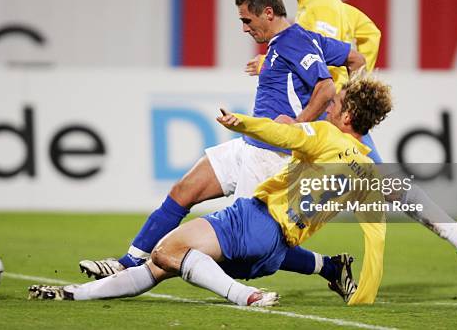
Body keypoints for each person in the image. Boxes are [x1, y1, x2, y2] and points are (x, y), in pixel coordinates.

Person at [78, 0, 367, 292]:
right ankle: (127, 262)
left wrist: (301, 127)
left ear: (268, 13)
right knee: (184, 189)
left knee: (245, 245)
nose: (244, 28)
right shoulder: (301, 40)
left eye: (247, 20)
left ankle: (328, 266)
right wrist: (348, 104)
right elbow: (356, 60)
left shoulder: (293, 41)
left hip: (272, 156)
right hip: (249, 146)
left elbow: (325, 88)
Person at [28, 74, 393, 306]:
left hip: (256, 219)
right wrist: (364, 295)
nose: (329, 108)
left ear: (347, 118)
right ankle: (73, 294)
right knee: (162, 263)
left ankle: (244, 297)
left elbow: (285, 135)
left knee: (166, 249)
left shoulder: (327, 134)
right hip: (274, 253)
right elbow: (376, 240)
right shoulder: (369, 173)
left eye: (336, 105)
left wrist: (244, 123)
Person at [251, 0, 457, 285]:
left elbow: (322, 63)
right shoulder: (333, 6)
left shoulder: (321, 9)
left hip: (332, 117)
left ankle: (250, 250)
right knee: (381, 183)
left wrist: (343, 95)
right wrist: (355, 87)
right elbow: (370, 34)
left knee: (372, 183)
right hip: (335, 114)